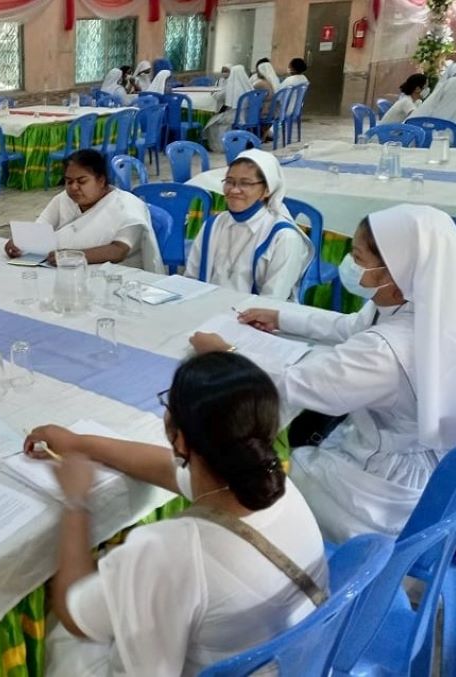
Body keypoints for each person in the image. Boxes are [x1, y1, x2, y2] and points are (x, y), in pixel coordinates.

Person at [28, 352, 327, 676]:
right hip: (282, 660)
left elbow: (75, 613)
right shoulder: (275, 486)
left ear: (180, 439)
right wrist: (80, 443)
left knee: (64, 633)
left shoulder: (169, 550)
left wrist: (76, 503)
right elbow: (166, 468)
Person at [191, 205, 456, 543]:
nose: (350, 264)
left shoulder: (384, 351)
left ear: (395, 271)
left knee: (254, 481)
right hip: (421, 457)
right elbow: (351, 326)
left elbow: (295, 384)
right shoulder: (426, 302)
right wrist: (282, 318)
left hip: (384, 490)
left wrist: (225, 354)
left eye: (358, 257)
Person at [4, 149, 165, 270]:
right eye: (69, 181)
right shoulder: (63, 199)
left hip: (118, 275)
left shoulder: (126, 207)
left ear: (101, 181)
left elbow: (118, 251)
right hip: (64, 270)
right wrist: (21, 242)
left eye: (81, 181)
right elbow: (41, 227)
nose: (74, 187)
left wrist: (72, 257)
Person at [185, 149, 312, 301]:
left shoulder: (284, 237)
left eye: (245, 183)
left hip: (258, 319)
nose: (234, 190)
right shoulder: (214, 224)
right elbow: (190, 279)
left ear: (267, 190)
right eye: (229, 181)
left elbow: (272, 300)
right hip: (208, 309)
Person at [202, 64, 253, 151]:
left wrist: (218, 112)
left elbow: (220, 99)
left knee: (212, 122)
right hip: (249, 117)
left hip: (234, 117)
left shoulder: (231, 86)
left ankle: (219, 147)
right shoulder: (248, 86)